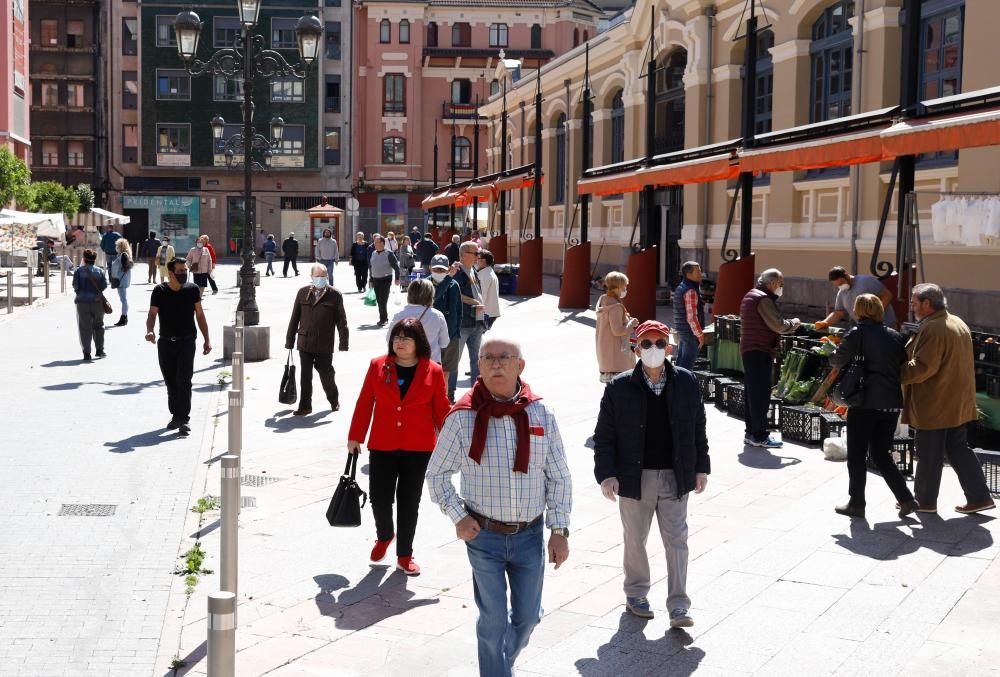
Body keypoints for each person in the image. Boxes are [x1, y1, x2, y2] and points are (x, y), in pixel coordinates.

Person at [425, 337, 572, 677]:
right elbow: (437, 475)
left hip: (529, 535)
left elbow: (560, 476)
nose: (495, 364)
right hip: (483, 536)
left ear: (520, 366)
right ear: (478, 366)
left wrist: (559, 530)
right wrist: (458, 517)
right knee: (492, 621)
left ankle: (499, 663)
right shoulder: (463, 416)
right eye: (487, 358)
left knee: (528, 617)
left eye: (504, 357)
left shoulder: (540, 413)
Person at [593, 320, 709, 626]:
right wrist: (607, 474)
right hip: (635, 477)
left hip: (676, 475)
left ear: (669, 348)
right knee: (635, 540)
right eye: (646, 343)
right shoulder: (619, 387)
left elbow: (698, 428)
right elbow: (604, 436)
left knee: (677, 541)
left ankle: (679, 605)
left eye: (659, 343)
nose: (653, 349)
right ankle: (636, 593)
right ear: (636, 348)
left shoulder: (686, 381)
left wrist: (701, 468)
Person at [349, 318, 452, 575]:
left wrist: (455, 439)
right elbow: (365, 402)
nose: (400, 342)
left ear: (419, 342)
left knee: (409, 502)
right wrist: (355, 437)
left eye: (406, 338)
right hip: (383, 444)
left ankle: (405, 555)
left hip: (419, 447)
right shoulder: (378, 366)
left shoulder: (434, 371)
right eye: (396, 337)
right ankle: (385, 535)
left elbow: (441, 409)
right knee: (379, 498)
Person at [902, 283, 995, 514]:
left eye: (915, 302)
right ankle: (980, 497)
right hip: (955, 401)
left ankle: (923, 501)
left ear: (927, 303)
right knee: (958, 449)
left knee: (928, 453)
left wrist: (895, 371)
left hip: (936, 402)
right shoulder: (957, 322)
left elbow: (923, 367)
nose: (912, 306)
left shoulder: (934, 328)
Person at [828, 294, 918, 519]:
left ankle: (857, 503)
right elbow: (901, 365)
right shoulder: (895, 336)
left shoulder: (857, 333)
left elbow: (837, 361)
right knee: (881, 454)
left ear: (859, 311)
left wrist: (831, 353)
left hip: (864, 401)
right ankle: (906, 498)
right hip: (890, 404)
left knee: (857, 455)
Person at [145, 257, 212, 435]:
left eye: (185, 270)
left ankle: (184, 419)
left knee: (184, 380)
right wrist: (150, 330)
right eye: (180, 271)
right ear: (171, 273)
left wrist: (207, 338)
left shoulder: (192, 289)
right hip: (166, 342)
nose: (183, 274)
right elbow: (152, 314)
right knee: (171, 382)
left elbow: (200, 315)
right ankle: (176, 415)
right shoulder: (159, 291)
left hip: (187, 341)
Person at [739, 268, 800, 448]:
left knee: (752, 393)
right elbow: (777, 325)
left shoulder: (751, 294)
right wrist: (794, 323)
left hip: (750, 348)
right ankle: (759, 435)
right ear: (772, 283)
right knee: (759, 395)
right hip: (759, 349)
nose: (781, 288)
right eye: (780, 284)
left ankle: (751, 433)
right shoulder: (763, 299)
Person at [285, 263, 349, 416]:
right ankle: (305, 406)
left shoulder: (335, 295)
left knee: (326, 373)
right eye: (317, 276)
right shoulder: (302, 293)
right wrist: (290, 340)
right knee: (305, 376)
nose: (320, 279)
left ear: (327, 277)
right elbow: (294, 318)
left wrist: (343, 342)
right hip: (305, 341)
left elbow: (342, 321)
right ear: (311, 277)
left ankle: (334, 399)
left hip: (324, 343)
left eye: (323, 276)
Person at [448, 242, 486, 400]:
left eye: (479, 253)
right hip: (463, 322)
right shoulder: (457, 272)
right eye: (475, 253)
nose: (478, 256)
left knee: (476, 360)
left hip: (476, 321)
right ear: (463, 255)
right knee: (454, 361)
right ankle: (449, 393)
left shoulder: (474, 271)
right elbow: (456, 294)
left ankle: (476, 393)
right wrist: (474, 302)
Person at [387, 279, 450, 364]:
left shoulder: (399, 315)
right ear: (430, 295)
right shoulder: (437, 315)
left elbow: (389, 339)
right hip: (431, 363)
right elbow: (444, 343)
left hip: (405, 364)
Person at [818, 266, 897, 329]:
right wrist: (824, 323)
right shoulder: (842, 293)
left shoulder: (866, 281)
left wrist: (875, 315)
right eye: (837, 285)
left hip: (886, 325)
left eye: (841, 283)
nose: (840, 286)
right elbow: (838, 313)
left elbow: (887, 295)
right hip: (867, 329)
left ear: (846, 275)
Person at [595, 272, 638, 383]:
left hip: (605, 351)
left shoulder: (603, 300)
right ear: (617, 288)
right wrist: (631, 324)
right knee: (621, 389)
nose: (625, 289)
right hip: (617, 355)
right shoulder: (616, 306)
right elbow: (618, 331)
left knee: (611, 390)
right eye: (624, 287)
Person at [429, 254, 462, 399]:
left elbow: (458, 310)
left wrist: (457, 332)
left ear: (448, 269)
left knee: (446, 371)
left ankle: (444, 399)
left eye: (442, 270)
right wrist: (448, 278)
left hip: (451, 335)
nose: (439, 272)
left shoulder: (454, 285)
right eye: (436, 269)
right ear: (430, 268)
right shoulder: (425, 284)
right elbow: (433, 297)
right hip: (431, 336)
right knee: (430, 370)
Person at [72, 249, 108, 361]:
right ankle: (100, 350)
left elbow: (75, 286)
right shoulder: (100, 271)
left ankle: (87, 353)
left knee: (84, 328)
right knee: (99, 326)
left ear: (84, 258)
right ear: (94, 259)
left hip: (82, 302)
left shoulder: (78, 271)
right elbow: (104, 286)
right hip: (97, 303)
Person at [672, 261, 706, 372]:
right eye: (698, 272)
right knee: (685, 369)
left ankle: (675, 388)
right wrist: (700, 335)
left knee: (680, 366)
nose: (701, 274)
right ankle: (681, 389)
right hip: (690, 334)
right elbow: (691, 317)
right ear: (689, 275)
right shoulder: (690, 290)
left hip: (683, 332)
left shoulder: (682, 286)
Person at [368, 235, 400, 326]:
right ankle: (382, 317)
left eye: (376, 242)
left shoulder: (389, 253)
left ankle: (384, 318)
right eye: (374, 242)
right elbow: (372, 267)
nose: (374, 244)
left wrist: (397, 278)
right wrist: (370, 280)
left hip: (386, 279)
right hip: (375, 279)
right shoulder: (373, 253)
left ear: (382, 243)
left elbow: (396, 267)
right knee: (379, 300)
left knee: (383, 300)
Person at [110, 238, 133, 327]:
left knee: (123, 300)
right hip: (122, 280)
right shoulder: (125, 255)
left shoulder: (123, 255)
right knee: (123, 299)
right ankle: (124, 317)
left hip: (120, 281)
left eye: (117, 246)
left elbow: (122, 267)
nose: (116, 247)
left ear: (121, 247)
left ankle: (123, 317)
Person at [476, 249, 500, 330]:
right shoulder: (487, 271)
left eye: (478, 258)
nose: (476, 260)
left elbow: (481, 296)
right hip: (489, 313)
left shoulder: (484, 275)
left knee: (477, 339)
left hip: (485, 313)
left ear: (483, 261)